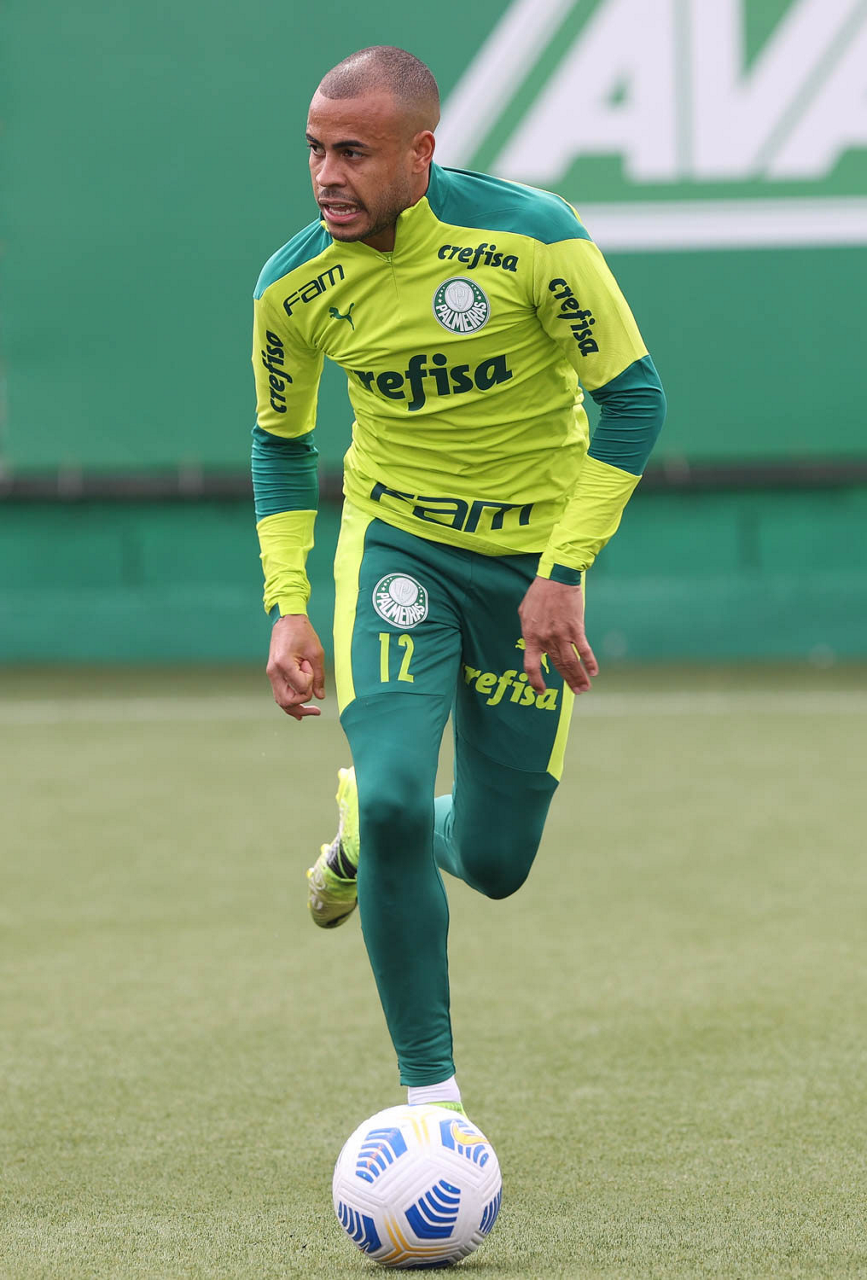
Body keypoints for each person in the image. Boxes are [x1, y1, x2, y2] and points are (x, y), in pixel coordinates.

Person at [251, 46, 665, 1115]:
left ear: (420, 152)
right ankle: (430, 1104)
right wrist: (289, 604)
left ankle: (366, 830)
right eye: (315, 151)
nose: (327, 176)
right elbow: (282, 444)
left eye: (353, 153)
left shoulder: (534, 238)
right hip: (399, 551)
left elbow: (634, 402)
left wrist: (563, 571)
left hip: (531, 568)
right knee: (397, 792)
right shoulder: (294, 285)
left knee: (495, 859)